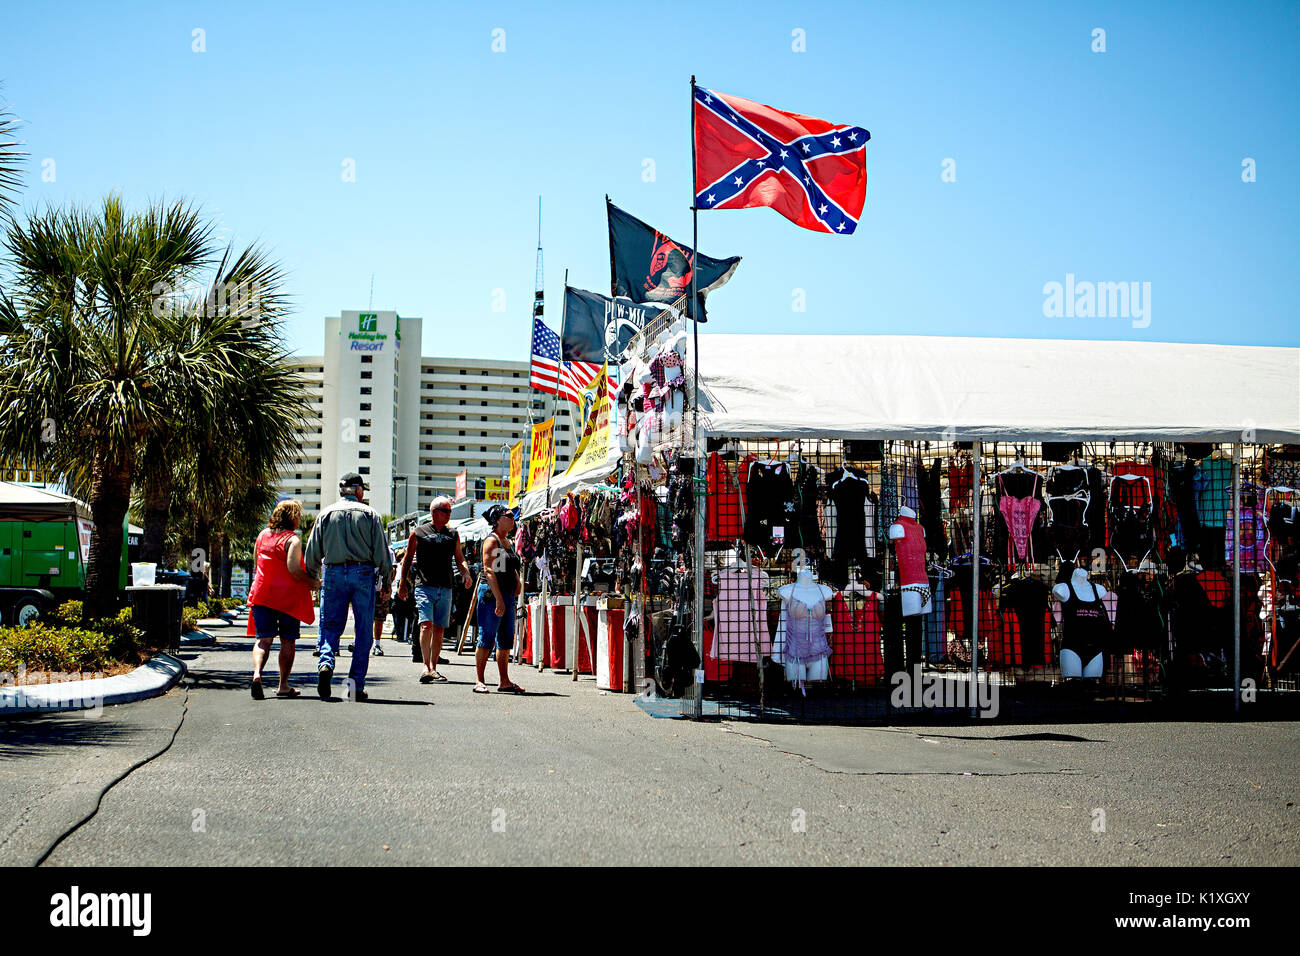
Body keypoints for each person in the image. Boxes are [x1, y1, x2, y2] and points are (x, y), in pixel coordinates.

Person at [304, 473, 393, 701]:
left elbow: (312, 552)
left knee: (330, 624)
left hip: (332, 572)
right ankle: (354, 686)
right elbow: (382, 553)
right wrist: (386, 580)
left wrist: (313, 578)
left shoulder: (325, 513)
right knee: (363, 630)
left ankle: (326, 662)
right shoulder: (370, 514)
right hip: (363, 573)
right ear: (358, 490)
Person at [247, 499, 318, 699]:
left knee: (263, 640)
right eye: (298, 515)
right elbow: (294, 569)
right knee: (287, 641)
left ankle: (257, 674)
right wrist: (313, 582)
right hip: (287, 597)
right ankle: (283, 685)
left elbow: (256, 561)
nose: (299, 518)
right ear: (292, 517)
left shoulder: (261, 536)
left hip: (262, 594)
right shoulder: (292, 540)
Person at [397, 496, 472, 683]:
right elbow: (407, 558)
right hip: (424, 585)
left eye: (449, 511)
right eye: (446, 511)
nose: (449, 515)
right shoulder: (418, 532)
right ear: (435, 512)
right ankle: (425, 666)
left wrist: (466, 572)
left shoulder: (453, 534)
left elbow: (459, 557)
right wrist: (402, 583)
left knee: (439, 629)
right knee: (425, 624)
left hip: (446, 586)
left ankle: (434, 667)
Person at [474, 504, 525, 694]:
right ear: (497, 520)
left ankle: (504, 680)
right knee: (486, 637)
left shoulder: (507, 542)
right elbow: (488, 570)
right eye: (509, 515)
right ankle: (479, 680)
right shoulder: (492, 541)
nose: (513, 518)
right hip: (492, 594)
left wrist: (518, 582)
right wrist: (498, 599)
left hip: (507, 594)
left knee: (505, 639)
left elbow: (511, 566)